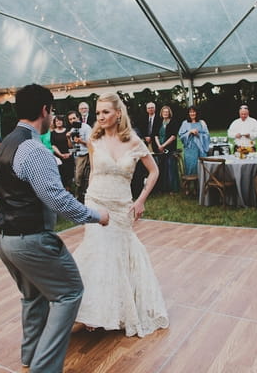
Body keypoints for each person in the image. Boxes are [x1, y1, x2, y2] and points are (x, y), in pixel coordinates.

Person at [0, 83, 109, 372]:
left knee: (33, 297)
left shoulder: (7, 143)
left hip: (4, 240)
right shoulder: (34, 149)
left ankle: (30, 357)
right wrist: (97, 215)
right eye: (51, 110)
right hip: (30, 241)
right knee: (69, 293)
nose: (52, 115)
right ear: (45, 110)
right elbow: (58, 200)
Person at [72, 92, 169, 337]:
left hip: (122, 205)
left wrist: (141, 200)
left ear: (118, 113)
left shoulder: (134, 141)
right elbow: (93, 173)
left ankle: (119, 309)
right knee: (98, 253)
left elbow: (154, 171)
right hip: (96, 201)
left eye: (106, 112)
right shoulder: (94, 140)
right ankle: (93, 312)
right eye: (98, 113)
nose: (101, 117)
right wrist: (87, 205)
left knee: (119, 254)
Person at [67, 110, 92, 202]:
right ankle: (78, 197)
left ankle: (85, 197)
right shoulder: (72, 130)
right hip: (77, 155)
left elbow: (91, 143)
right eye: (70, 119)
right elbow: (70, 146)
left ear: (78, 118)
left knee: (86, 177)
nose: (72, 120)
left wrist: (81, 141)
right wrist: (68, 137)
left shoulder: (86, 128)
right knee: (78, 178)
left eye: (74, 118)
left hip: (86, 154)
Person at [179, 106, 210, 175]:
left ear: (197, 113)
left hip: (201, 149)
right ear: (188, 113)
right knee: (191, 167)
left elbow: (207, 135)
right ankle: (190, 183)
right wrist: (189, 132)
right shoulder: (185, 123)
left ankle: (201, 184)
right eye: (190, 112)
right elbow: (181, 136)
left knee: (201, 167)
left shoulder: (202, 123)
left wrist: (199, 135)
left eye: (194, 112)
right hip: (190, 150)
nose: (192, 113)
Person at [155, 105, 179, 192]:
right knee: (162, 167)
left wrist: (163, 145)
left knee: (170, 167)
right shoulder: (159, 122)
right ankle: (163, 188)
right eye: (164, 112)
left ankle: (172, 188)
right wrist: (159, 146)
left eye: (167, 112)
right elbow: (156, 135)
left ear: (169, 113)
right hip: (160, 148)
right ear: (161, 113)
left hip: (170, 148)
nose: (165, 113)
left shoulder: (173, 122)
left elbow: (173, 137)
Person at [50, 115, 74, 190]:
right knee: (61, 176)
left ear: (63, 121)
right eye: (56, 121)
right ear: (54, 123)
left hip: (69, 156)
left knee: (69, 177)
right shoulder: (53, 133)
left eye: (60, 120)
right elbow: (53, 145)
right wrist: (60, 154)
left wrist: (68, 138)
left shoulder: (68, 131)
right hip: (59, 158)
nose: (58, 122)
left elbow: (72, 146)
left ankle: (69, 191)